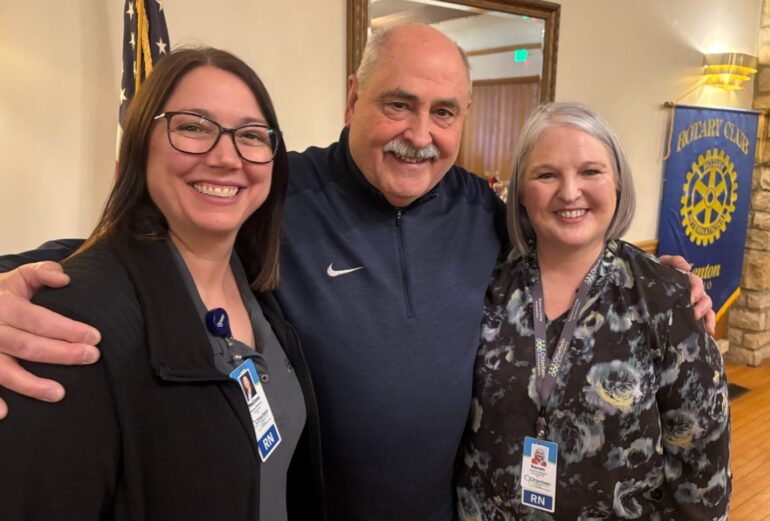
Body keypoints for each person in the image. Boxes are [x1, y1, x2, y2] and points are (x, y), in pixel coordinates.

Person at [0, 25, 713, 521]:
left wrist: (664, 280)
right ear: (353, 98)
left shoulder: (484, 212)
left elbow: (568, 236)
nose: (419, 134)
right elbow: (162, 231)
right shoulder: (284, 193)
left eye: (443, 113)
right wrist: (17, 276)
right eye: (398, 103)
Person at [0, 46, 324, 521]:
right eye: (193, 127)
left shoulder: (260, 294)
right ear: (138, 146)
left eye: (251, 135)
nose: (226, 157)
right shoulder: (68, 328)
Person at [455, 102, 731, 520]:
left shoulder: (665, 299)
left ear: (617, 181)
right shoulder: (484, 282)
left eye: (590, 171)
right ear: (522, 192)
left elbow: (702, 472)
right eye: (546, 175)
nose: (569, 192)